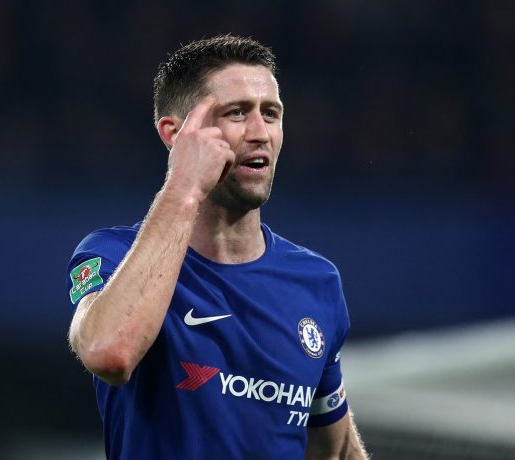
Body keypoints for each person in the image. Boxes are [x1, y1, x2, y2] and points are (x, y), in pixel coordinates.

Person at [66, 34, 368, 459]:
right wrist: (184, 185)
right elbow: (110, 352)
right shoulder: (114, 254)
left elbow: (333, 451)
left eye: (271, 113)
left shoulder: (316, 282)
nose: (260, 133)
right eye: (237, 113)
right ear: (176, 134)